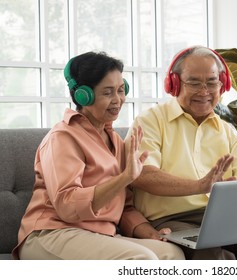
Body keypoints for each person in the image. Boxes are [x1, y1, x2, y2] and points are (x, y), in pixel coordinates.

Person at [126, 46, 237, 260]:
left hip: (222, 219)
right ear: (175, 84)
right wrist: (200, 186)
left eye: (211, 82)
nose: (204, 91)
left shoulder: (228, 132)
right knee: (211, 254)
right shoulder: (150, 121)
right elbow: (143, 175)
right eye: (194, 82)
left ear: (222, 84)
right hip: (168, 220)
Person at [11, 51, 184, 260]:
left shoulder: (116, 143)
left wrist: (150, 233)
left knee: (171, 254)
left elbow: (125, 207)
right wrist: (124, 178)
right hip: (51, 234)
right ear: (84, 96)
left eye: (121, 90)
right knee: (142, 260)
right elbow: (67, 205)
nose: (118, 100)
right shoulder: (63, 138)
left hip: (99, 235)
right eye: (107, 92)